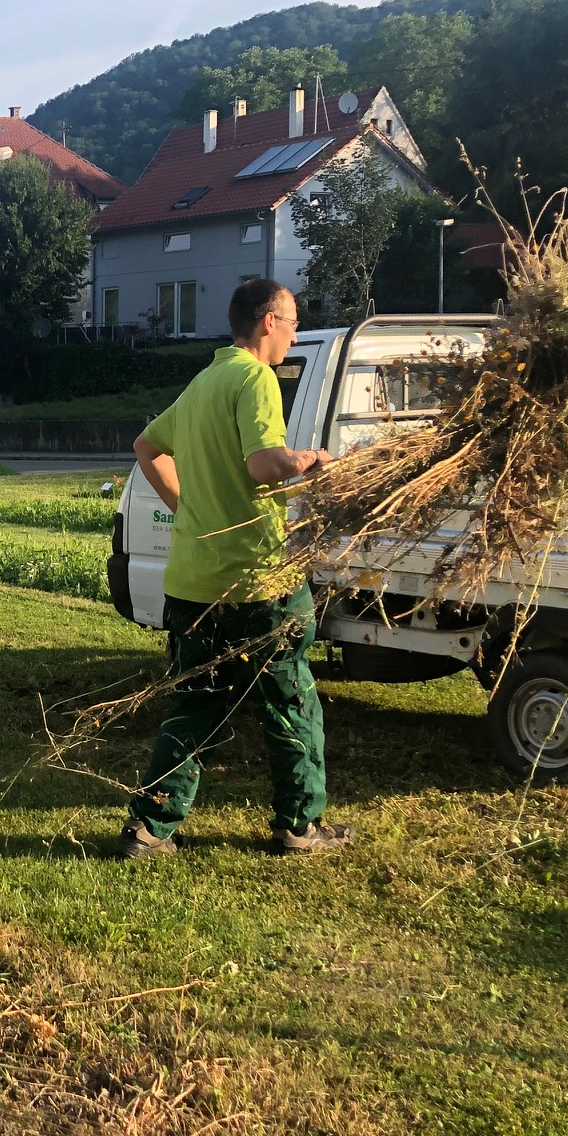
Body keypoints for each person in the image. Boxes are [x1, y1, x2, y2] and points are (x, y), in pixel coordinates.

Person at [118, 277, 354, 858]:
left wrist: (187, 506)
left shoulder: (203, 383)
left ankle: (149, 829)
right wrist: (310, 460)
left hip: (194, 584)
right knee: (291, 700)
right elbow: (261, 464)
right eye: (294, 321)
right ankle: (299, 826)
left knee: (195, 704)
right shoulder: (255, 379)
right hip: (259, 579)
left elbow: (146, 448)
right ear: (268, 321)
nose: (295, 332)